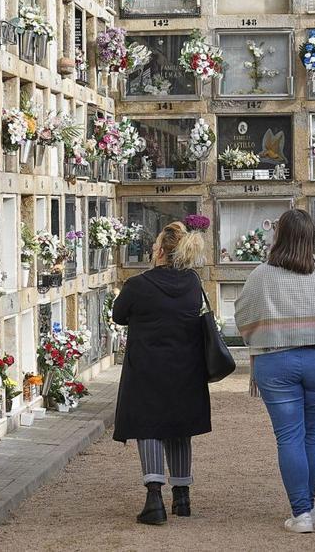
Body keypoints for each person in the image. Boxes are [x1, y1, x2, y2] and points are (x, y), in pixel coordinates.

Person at [235, 209, 315, 534]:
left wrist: (268, 330)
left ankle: (300, 514)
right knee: (311, 435)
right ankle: (310, 506)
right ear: (312, 236)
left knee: (289, 436)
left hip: (277, 361)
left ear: (279, 235)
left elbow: (243, 315)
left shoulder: (262, 274)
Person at [111, 221, 211, 525]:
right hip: (186, 368)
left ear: (159, 251)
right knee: (179, 427)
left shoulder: (138, 285)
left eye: (155, 245)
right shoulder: (193, 283)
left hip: (147, 369)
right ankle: (182, 498)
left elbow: (118, 315)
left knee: (149, 427)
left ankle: (154, 498)